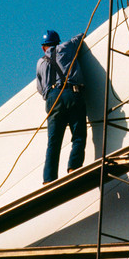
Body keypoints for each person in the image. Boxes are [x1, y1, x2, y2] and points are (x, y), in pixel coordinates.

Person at [36, 30, 87, 184]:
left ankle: (48, 179)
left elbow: (40, 88)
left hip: (52, 98)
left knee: (54, 141)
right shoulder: (66, 47)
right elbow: (80, 37)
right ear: (57, 42)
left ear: (43, 47)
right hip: (72, 93)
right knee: (78, 135)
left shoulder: (40, 62)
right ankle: (73, 167)